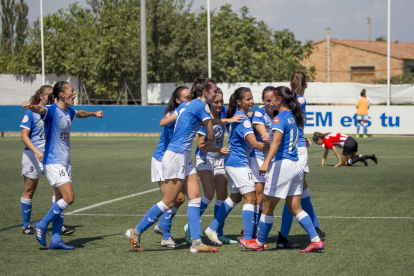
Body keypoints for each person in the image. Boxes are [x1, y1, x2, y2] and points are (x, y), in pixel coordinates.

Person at [125, 78, 242, 253]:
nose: (216, 93)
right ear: (206, 92)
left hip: (183, 156)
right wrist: (210, 142)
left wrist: (217, 122)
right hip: (175, 156)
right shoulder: (202, 107)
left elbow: (167, 121)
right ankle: (136, 231)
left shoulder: (186, 105)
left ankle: (196, 242)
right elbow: (209, 134)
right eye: (214, 90)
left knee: (195, 198)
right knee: (169, 201)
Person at [241, 86, 324, 253]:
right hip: (295, 166)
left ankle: (259, 242)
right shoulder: (294, 115)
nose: (271, 102)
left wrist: (266, 163)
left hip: (282, 166)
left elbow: (276, 143)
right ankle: (316, 240)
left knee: (267, 207)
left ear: (279, 100)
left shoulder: (279, 119)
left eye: (273, 99)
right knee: (296, 208)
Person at [22, 81, 103, 250]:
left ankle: (56, 239)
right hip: (53, 162)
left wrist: (93, 114)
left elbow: (79, 113)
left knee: (59, 201)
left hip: (65, 163)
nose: (75, 94)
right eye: (72, 91)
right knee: (69, 198)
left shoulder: (69, 111)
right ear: (61, 94)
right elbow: (41, 110)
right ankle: (42, 225)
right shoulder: (51, 110)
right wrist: (31, 106)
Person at [203, 87, 269, 246]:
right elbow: (254, 143)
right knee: (250, 197)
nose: (252, 101)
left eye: (252, 98)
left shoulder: (242, 116)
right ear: (239, 101)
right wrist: (275, 147)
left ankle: (212, 228)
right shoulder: (243, 120)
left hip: (233, 162)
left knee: (236, 197)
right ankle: (247, 239)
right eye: (248, 99)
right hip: (238, 163)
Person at [277, 72, 325, 250]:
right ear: (306, 85)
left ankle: (314, 229)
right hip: (297, 149)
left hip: (291, 145)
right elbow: (297, 121)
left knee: (298, 190)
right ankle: (307, 231)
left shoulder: (285, 99)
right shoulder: (300, 101)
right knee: (295, 192)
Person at [20, 85, 75, 236]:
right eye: (49, 95)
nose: (52, 97)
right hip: (33, 156)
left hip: (50, 156)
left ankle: (58, 225)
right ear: (41, 96)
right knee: (30, 190)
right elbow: (24, 136)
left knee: (58, 192)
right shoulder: (33, 112)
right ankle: (26, 225)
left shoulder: (56, 111)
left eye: (53, 95)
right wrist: (36, 151)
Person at [192, 88, 237, 245]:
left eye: (221, 101)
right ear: (209, 102)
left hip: (219, 158)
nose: (219, 104)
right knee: (209, 193)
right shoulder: (204, 117)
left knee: (222, 196)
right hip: (204, 157)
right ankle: (191, 225)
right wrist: (219, 149)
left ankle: (218, 232)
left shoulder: (225, 111)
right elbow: (201, 145)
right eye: (216, 102)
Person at [151, 86, 191, 248]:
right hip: (162, 160)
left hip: (174, 159)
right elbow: (164, 122)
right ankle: (166, 237)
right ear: (178, 100)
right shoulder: (172, 115)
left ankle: (161, 226)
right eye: (186, 98)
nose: (189, 100)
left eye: (191, 97)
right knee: (170, 200)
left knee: (180, 198)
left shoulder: (186, 114)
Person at [246, 86, 274, 242]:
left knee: (267, 197)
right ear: (263, 100)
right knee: (259, 196)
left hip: (271, 158)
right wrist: (266, 135)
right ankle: (252, 232)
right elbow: (262, 132)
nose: (270, 103)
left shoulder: (278, 114)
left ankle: (256, 232)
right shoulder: (259, 113)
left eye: (273, 100)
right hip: (257, 158)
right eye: (267, 100)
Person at [313, 132, 377, 167]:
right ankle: (370, 156)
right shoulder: (326, 137)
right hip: (352, 140)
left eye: (317, 143)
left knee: (344, 163)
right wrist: (323, 162)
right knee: (353, 158)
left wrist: (339, 162)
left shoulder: (326, 140)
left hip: (348, 143)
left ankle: (361, 158)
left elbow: (335, 150)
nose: (317, 144)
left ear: (319, 139)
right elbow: (326, 151)